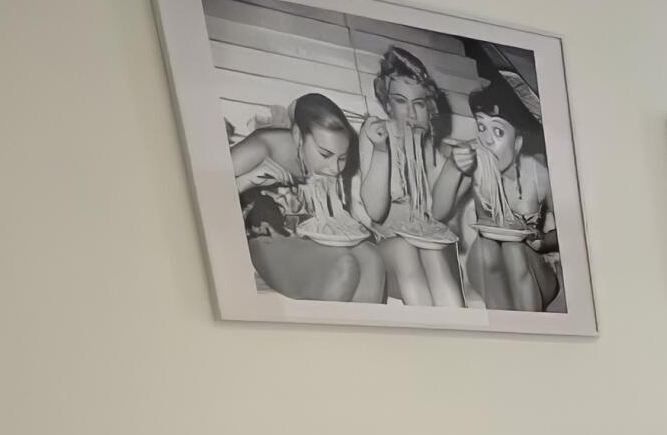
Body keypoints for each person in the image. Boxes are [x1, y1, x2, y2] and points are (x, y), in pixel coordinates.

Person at [228, 93, 385, 304]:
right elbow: (201, 193)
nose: (334, 169)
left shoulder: (329, 166)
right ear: (297, 136)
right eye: (324, 154)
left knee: (372, 259)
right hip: (269, 239)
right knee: (345, 266)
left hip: (315, 241)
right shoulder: (265, 145)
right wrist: (248, 181)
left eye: (342, 158)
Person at [357, 47, 464, 308]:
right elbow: (375, 211)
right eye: (400, 101)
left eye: (418, 103)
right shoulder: (376, 135)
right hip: (393, 254)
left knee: (432, 248)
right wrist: (382, 150)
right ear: (387, 104)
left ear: (429, 108)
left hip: (434, 252)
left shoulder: (443, 151)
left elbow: (437, 216)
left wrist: (455, 169)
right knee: (405, 248)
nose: (410, 114)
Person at [450, 70, 559, 313]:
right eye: (481, 128)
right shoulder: (474, 165)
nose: (486, 140)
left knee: (513, 249)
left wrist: (543, 242)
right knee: (489, 248)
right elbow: (440, 209)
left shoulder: (540, 174)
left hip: (534, 267)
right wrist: (452, 167)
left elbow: (569, 231)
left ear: (518, 142)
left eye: (497, 131)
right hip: (487, 263)